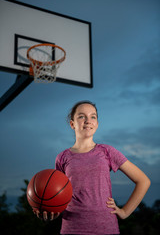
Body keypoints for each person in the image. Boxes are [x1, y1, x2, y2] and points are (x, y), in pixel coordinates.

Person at [35, 100, 151, 235]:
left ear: (97, 124)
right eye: (81, 116)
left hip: (106, 228)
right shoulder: (62, 157)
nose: (88, 120)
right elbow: (58, 196)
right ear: (72, 124)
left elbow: (143, 181)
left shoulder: (107, 151)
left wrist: (125, 212)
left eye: (93, 116)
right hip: (72, 228)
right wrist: (51, 211)